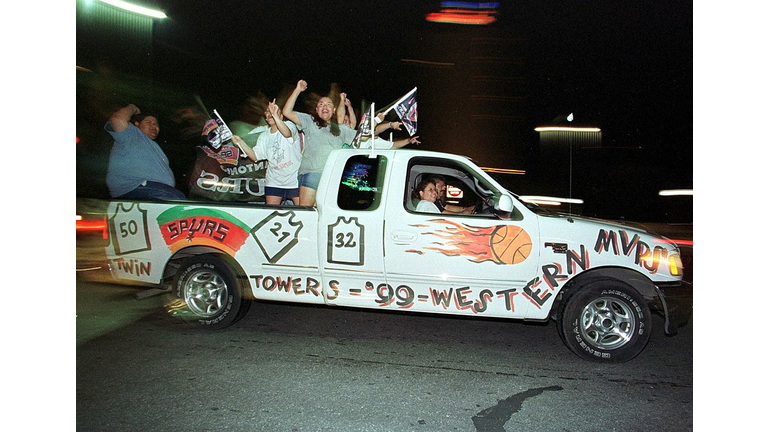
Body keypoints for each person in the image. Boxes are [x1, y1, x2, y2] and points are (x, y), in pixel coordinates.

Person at [282, 80, 358, 206]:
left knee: (324, 214)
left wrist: (378, 121)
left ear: (333, 110)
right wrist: (297, 90)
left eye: (328, 104)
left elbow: (363, 137)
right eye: (321, 104)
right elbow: (287, 112)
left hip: (331, 176)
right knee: (306, 213)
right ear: (317, 109)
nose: (324, 107)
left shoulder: (341, 129)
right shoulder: (309, 121)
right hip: (312, 174)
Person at [104, 103, 186, 200]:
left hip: (151, 189)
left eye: (156, 124)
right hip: (134, 187)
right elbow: (117, 119)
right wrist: (132, 107)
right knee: (177, 200)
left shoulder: (151, 145)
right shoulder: (132, 135)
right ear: (136, 124)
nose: (153, 126)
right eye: (148, 122)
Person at [236, 99, 302, 205]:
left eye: (274, 111)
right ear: (265, 118)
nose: (270, 113)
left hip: (295, 179)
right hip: (274, 181)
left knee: (302, 212)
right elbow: (255, 156)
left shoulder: (290, 125)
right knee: (271, 212)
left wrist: (275, 115)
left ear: (280, 116)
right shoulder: (264, 136)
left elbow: (287, 134)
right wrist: (240, 142)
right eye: (268, 112)